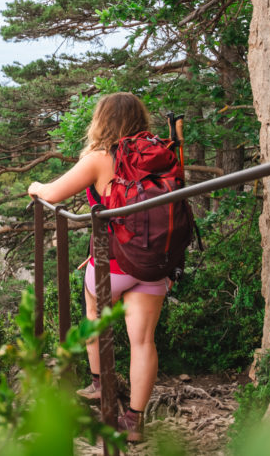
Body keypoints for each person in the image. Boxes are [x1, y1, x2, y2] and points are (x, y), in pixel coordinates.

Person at [27, 92, 168, 442]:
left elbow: (53, 193)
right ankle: (134, 422)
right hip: (154, 261)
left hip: (115, 262)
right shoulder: (159, 155)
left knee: (93, 313)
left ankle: (98, 384)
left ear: (102, 121)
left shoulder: (100, 157)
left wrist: (35, 187)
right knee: (143, 341)